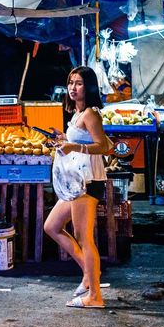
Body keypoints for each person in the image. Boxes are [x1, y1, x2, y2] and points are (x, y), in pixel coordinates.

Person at [44, 66, 112, 309]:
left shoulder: (91, 114)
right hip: (76, 182)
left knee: (85, 237)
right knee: (52, 226)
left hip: (88, 181)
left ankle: (95, 296)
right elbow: (77, 141)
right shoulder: (77, 113)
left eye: (79, 83)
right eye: (71, 82)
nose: (73, 87)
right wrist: (63, 139)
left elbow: (103, 147)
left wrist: (74, 147)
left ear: (89, 86)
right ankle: (88, 273)